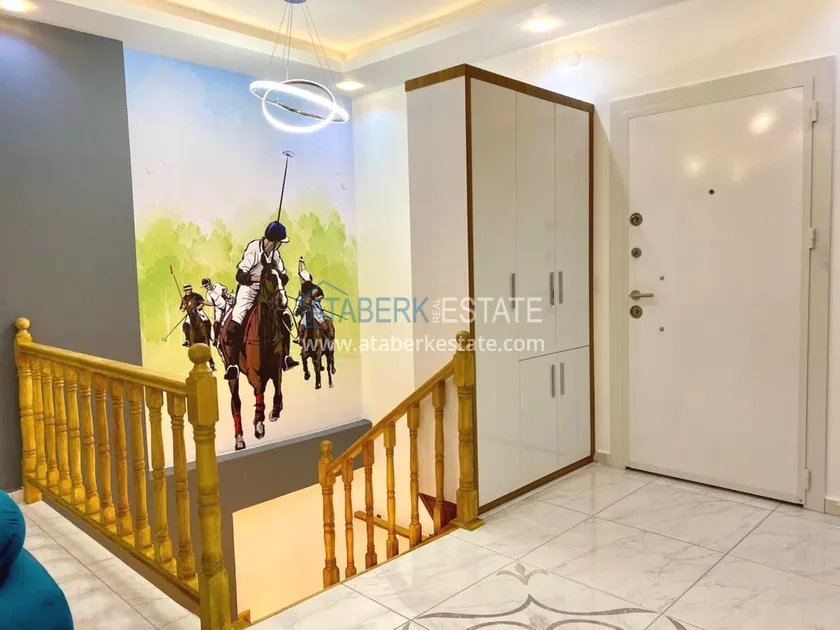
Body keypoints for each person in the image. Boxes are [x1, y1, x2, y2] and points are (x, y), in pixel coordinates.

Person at [225, 221, 299, 380]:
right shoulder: (253, 249)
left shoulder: (275, 255)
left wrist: (276, 279)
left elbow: (284, 276)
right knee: (235, 322)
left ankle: (286, 356)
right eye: (279, 242)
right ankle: (233, 364)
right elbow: (240, 276)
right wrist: (259, 279)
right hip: (249, 290)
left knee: (284, 316)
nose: (280, 245)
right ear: (273, 241)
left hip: (269, 292)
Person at [201, 277, 230, 343]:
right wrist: (204, 303)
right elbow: (211, 303)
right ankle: (216, 339)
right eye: (205, 286)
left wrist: (224, 292)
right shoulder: (208, 294)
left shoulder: (218, 285)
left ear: (210, 283)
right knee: (217, 321)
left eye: (207, 285)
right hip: (218, 308)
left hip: (227, 303)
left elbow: (225, 288)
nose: (206, 287)